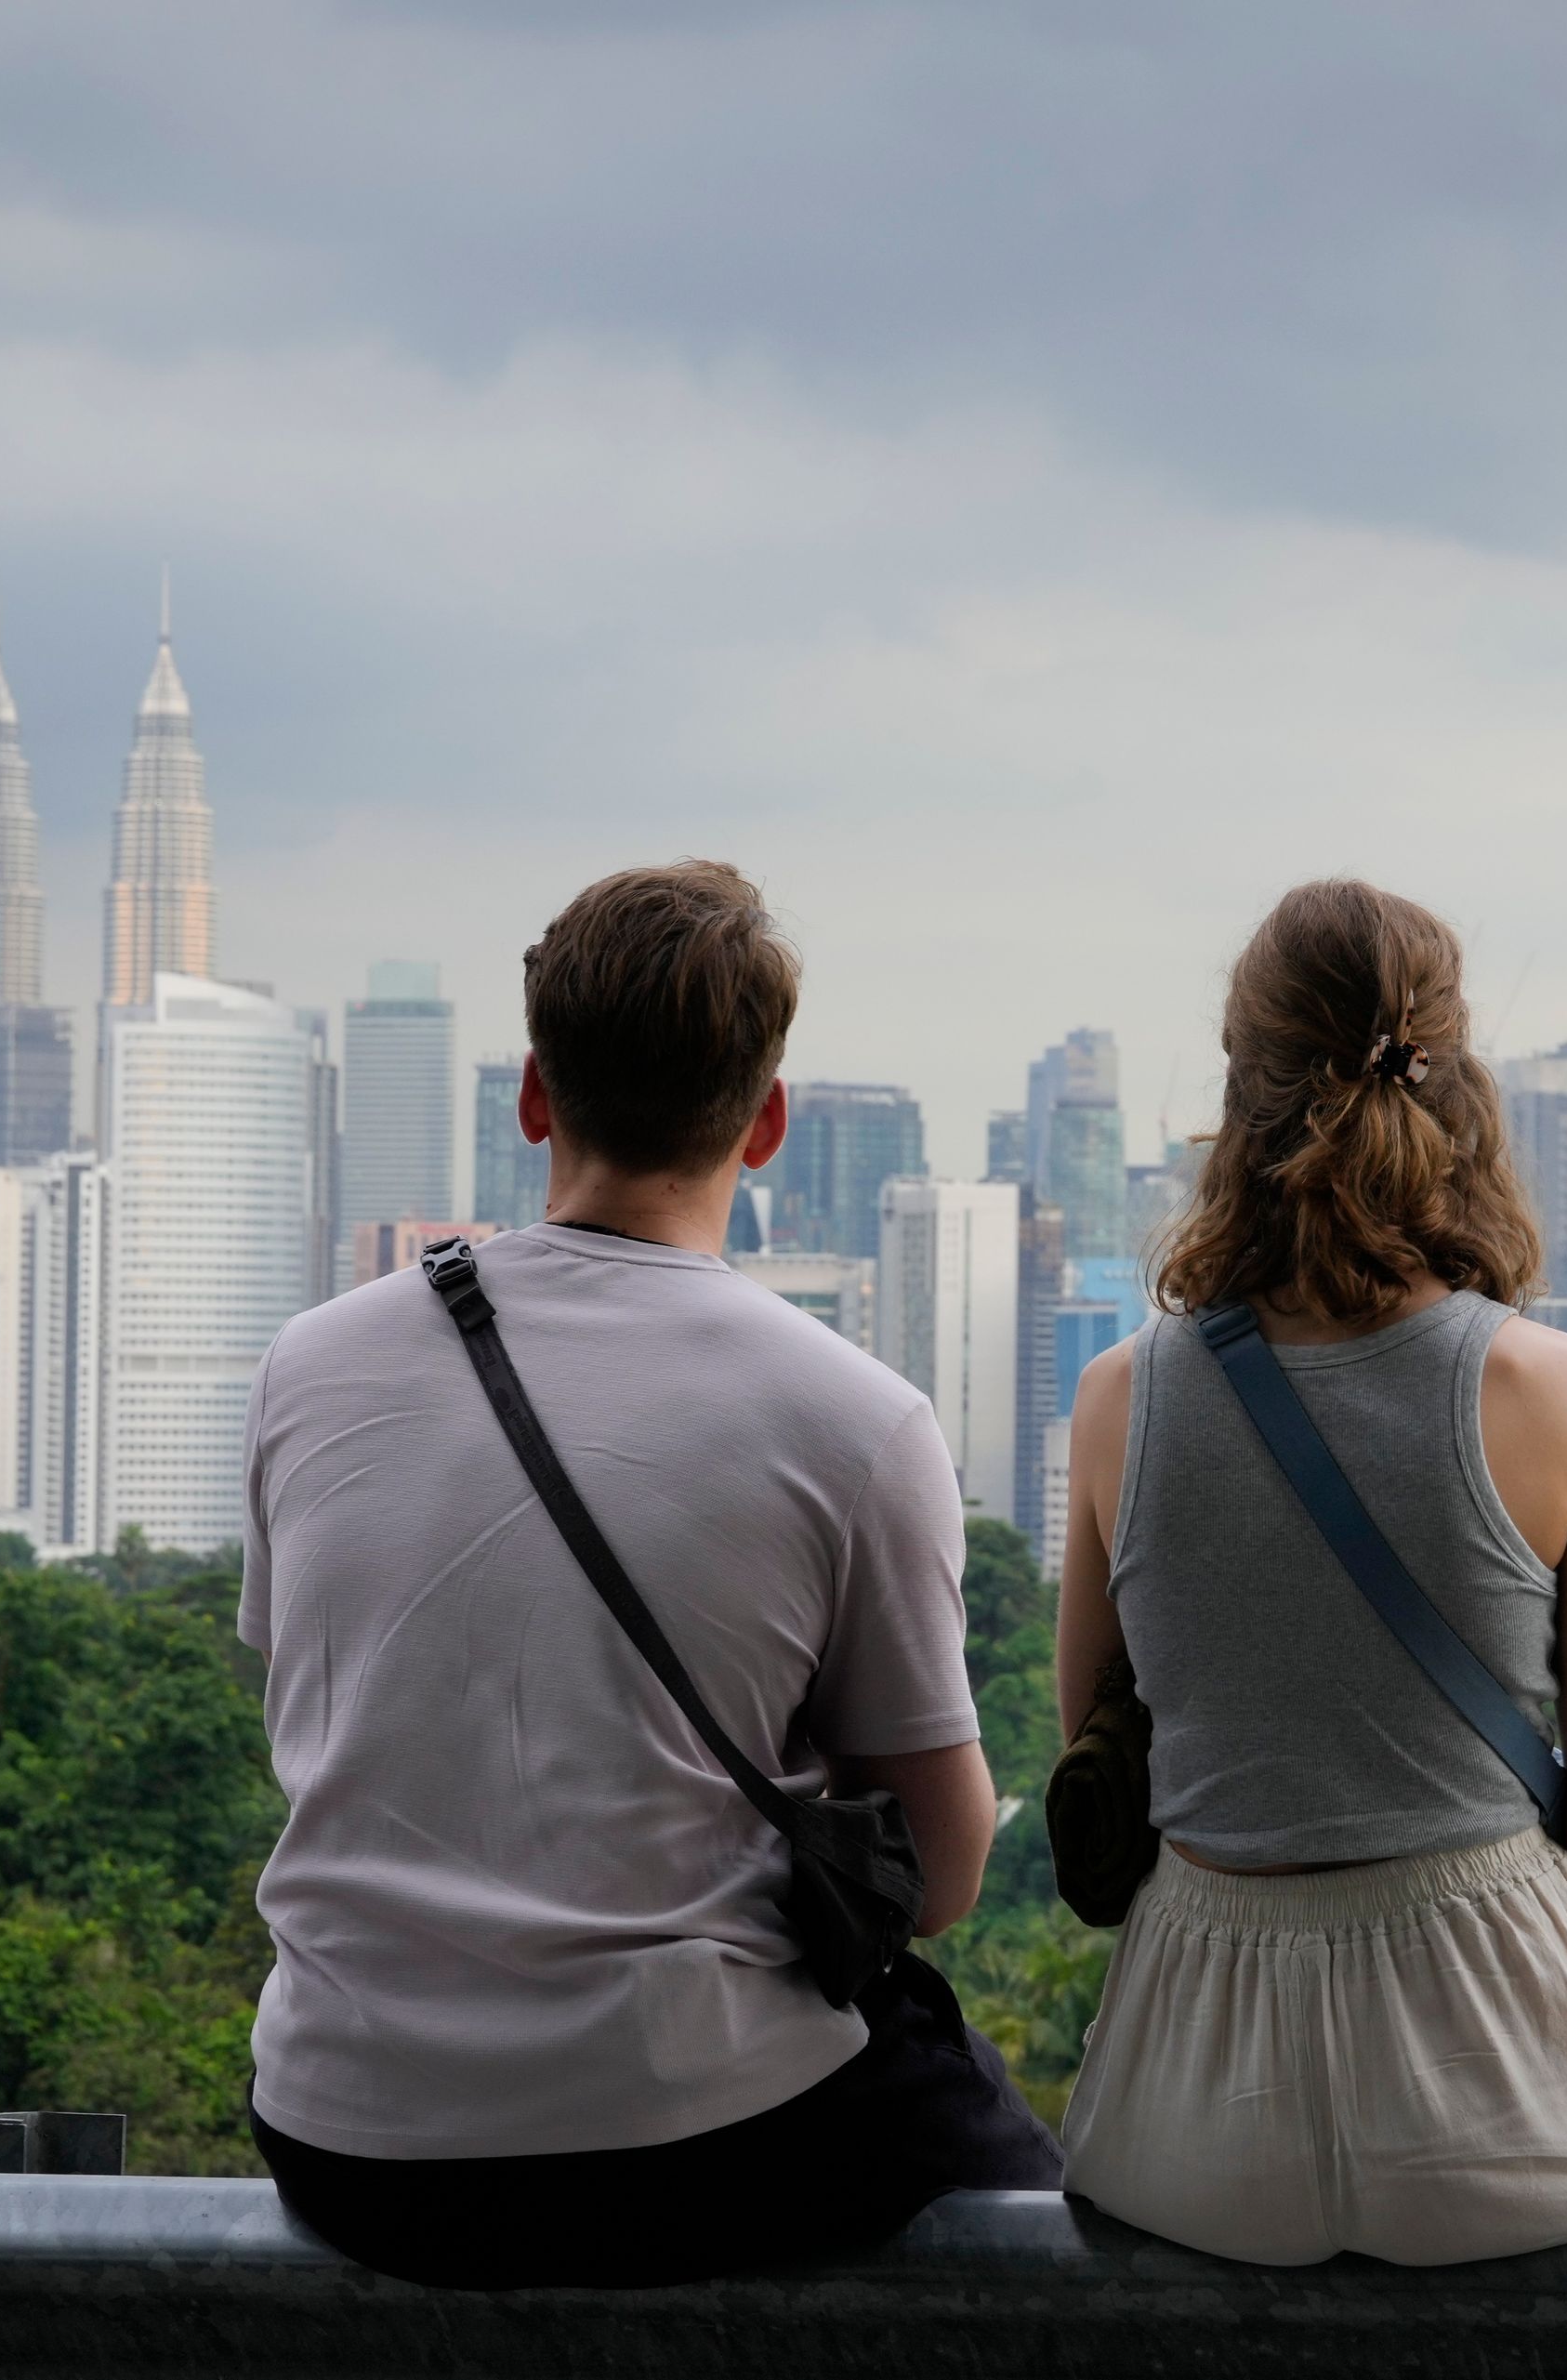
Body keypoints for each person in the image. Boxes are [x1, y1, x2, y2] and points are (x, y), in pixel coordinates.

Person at [239, 860, 1060, 2290]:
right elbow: (937, 1874)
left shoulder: (310, 1367)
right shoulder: (855, 1419)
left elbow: (318, 1726)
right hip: (692, 2138)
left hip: (343, 2137)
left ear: (534, 1097)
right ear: (769, 1123)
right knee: (1053, 2252)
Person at [1053, 878, 1567, 2266]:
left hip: (1193, 2099)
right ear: (1456, 1081)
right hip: (1508, 2098)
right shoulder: (1560, 1393)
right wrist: (1505, 2018)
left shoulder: (1121, 1401)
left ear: (1238, 1094)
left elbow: (1105, 1753)